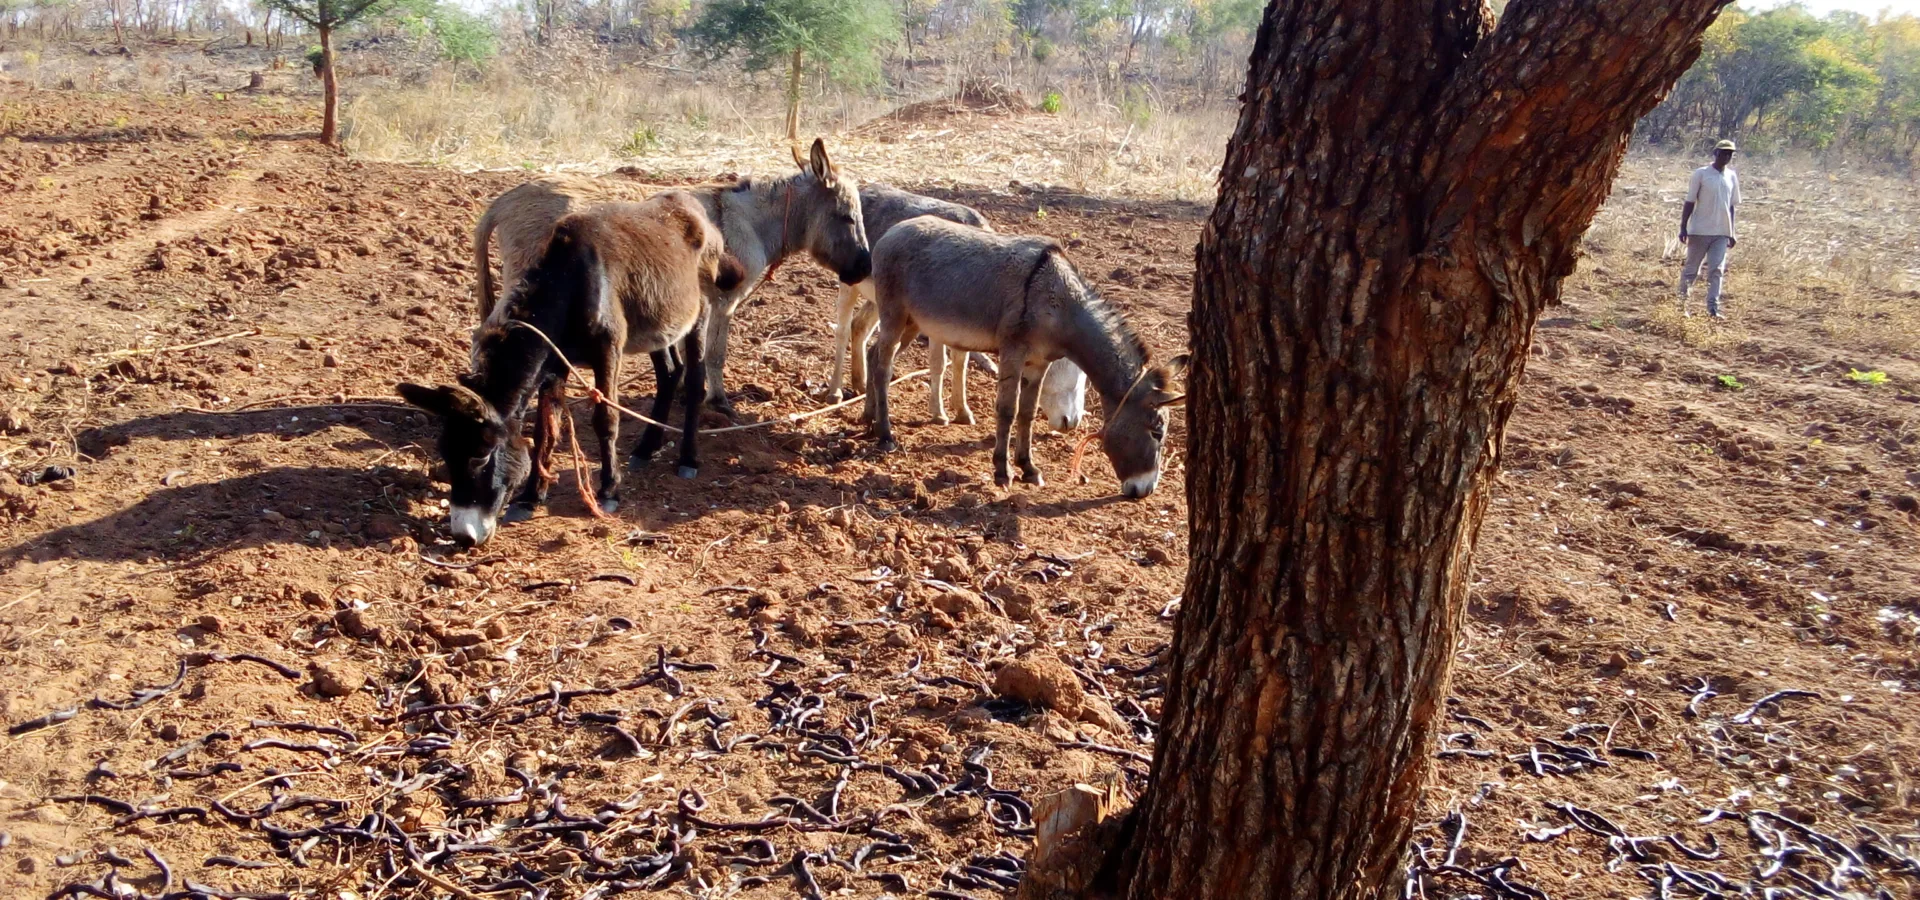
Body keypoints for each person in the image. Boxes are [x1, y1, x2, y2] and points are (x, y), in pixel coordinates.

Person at [1677, 139, 1740, 319]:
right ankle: (1681, 306)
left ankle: (1713, 309)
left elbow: (1731, 206)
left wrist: (1731, 231)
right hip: (1700, 230)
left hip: (1721, 232)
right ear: (1715, 153)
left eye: (1730, 154)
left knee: (1716, 270)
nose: (1726, 156)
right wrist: (1683, 227)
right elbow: (1690, 201)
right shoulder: (1701, 174)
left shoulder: (1731, 176)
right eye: (1723, 153)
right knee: (1691, 270)